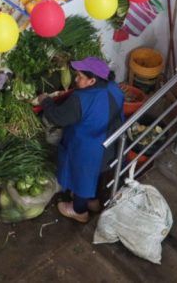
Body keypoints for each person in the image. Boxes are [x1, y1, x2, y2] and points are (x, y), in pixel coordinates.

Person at [40, 58, 124, 223]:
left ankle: (79, 210)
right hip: (109, 142)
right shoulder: (114, 88)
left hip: (87, 147)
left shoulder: (81, 99)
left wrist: (45, 101)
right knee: (97, 173)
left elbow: (58, 118)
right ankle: (93, 201)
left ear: (92, 80)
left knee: (82, 179)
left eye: (79, 76)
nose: (76, 79)